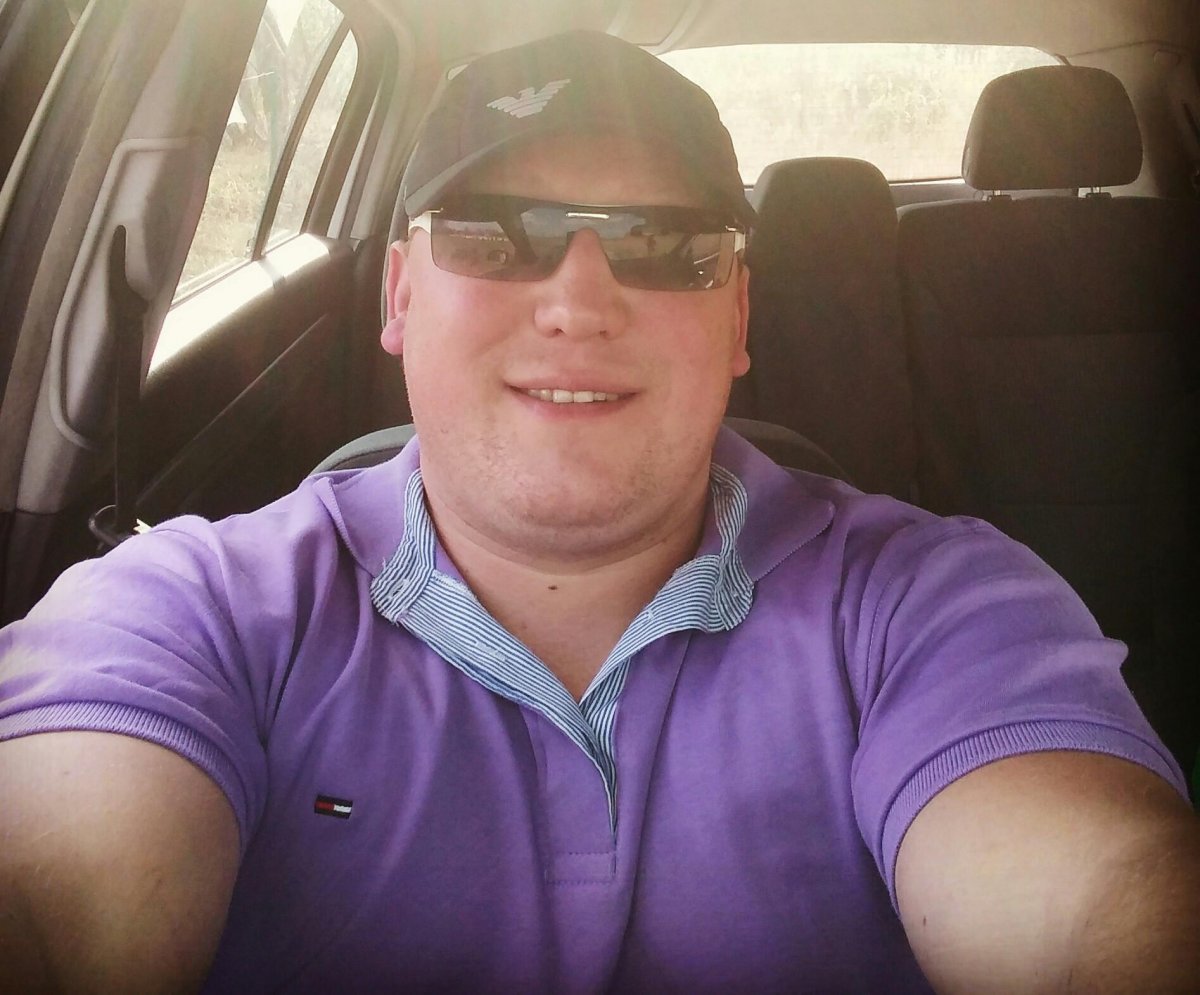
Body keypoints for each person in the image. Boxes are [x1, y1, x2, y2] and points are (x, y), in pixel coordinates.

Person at [1, 29, 1197, 994]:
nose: (579, 300)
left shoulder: (932, 604)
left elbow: (1102, 895)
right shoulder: (195, 610)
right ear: (400, 292)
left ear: (739, 317)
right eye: (495, 233)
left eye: (666, 244)